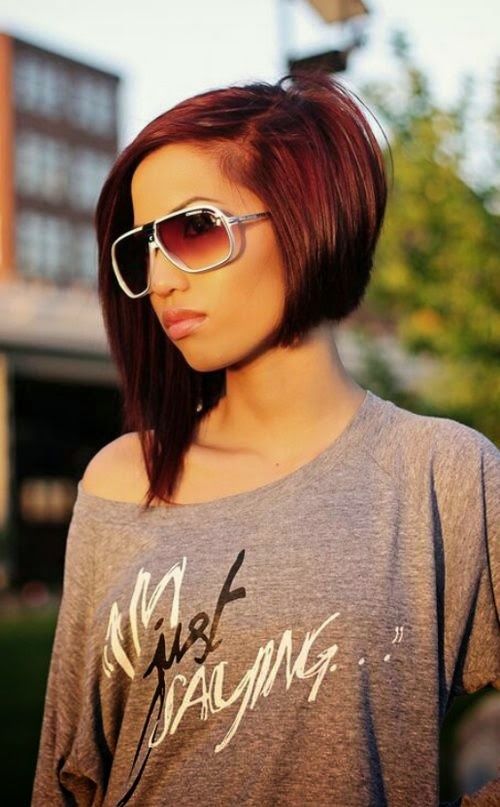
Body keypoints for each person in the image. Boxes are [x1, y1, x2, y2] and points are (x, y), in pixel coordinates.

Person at [31, 71, 499, 806]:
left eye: (192, 229)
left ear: (306, 217)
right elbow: (68, 772)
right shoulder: (124, 478)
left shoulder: (442, 474)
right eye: (142, 245)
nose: (160, 280)